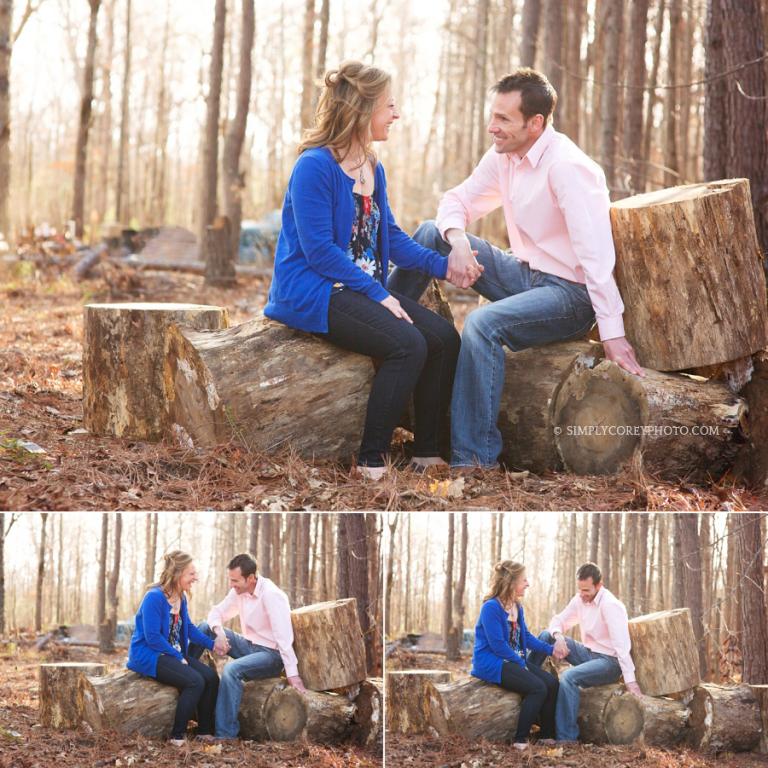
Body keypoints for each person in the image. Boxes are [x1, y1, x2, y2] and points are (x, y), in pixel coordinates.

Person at [388, 68, 644, 469]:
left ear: (535, 123)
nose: (492, 127)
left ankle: (473, 460)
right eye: (493, 116)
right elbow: (458, 199)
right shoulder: (504, 156)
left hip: (569, 297)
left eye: (503, 119)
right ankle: (385, 327)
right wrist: (457, 241)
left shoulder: (568, 168)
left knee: (480, 325)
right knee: (428, 233)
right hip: (524, 274)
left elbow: (596, 258)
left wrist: (613, 332)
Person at [264, 60, 462, 480]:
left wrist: (443, 267)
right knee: (408, 344)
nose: (397, 114)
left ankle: (426, 452)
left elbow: (389, 234)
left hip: (355, 289)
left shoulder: (373, 167)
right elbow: (318, 251)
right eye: (390, 105)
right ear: (363, 108)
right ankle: (371, 461)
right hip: (316, 290)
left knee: (444, 338)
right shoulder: (314, 166)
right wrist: (380, 295)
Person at [188, 553, 305, 740]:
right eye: (230, 580)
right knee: (204, 627)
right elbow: (217, 612)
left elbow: (284, 639)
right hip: (249, 645)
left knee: (231, 670)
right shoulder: (239, 592)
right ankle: (185, 673)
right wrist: (219, 633)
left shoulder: (272, 596)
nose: (231, 585)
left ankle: (225, 735)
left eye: (235, 581)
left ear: (250, 578)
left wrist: (293, 674)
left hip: (271, 655)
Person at [527, 562, 642, 743]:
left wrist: (631, 681)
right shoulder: (579, 599)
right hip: (588, 653)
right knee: (545, 635)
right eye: (580, 589)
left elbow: (622, 646)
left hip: (609, 662)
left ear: (599, 585)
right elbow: (558, 620)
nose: (582, 594)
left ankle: (567, 738)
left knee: (568, 677)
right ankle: (526, 679)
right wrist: (559, 637)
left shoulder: (611, 605)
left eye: (586, 590)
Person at [126, 551, 221, 746]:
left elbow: (189, 629)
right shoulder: (154, 598)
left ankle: (204, 730)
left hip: (172, 653)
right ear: (178, 574)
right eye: (191, 574)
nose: (195, 578)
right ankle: (177, 736)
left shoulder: (181, 598)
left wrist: (213, 644)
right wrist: (178, 656)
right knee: (195, 681)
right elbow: (152, 638)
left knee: (211, 677)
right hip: (149, 654)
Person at [471, 560, 560, 750]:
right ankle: (520, 739)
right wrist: (522, 663)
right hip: (492, 662)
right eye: (524, 580)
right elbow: (497, 645)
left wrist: (551, 650)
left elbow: (526, 637)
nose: (527, 584)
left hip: (512, 660)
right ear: (511, 583)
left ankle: (545, 734)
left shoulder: (516, 607)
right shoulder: (491, 608)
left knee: (552, 683)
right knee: (538, 688)